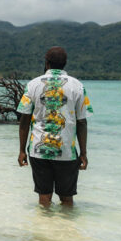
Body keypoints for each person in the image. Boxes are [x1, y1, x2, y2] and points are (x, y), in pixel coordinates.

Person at [17, 46, 93, 207]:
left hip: (38, 150)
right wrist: (84, 153)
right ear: (65, 63)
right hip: (66, 152)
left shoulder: (32, 85)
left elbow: (24, 120)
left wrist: (22, 150)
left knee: (44, 199)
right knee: (67, 199)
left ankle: (43, 231)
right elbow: (82, 122)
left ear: (46, 62)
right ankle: (66, 231)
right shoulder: (77, 86)